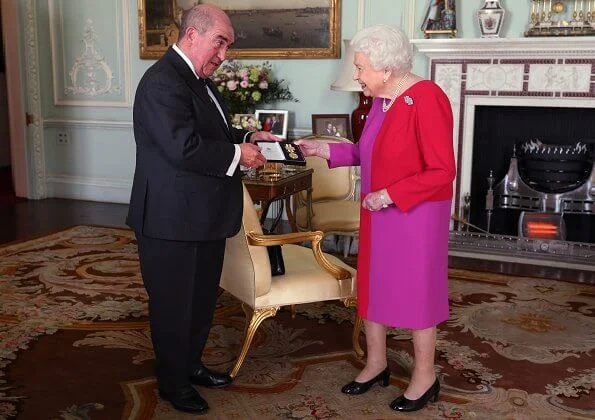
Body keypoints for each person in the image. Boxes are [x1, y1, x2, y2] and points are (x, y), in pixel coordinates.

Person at [126, 4, 278, 415]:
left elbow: (213, 131)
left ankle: (190, 366)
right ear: (192, 35)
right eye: (220, 42)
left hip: (201, 215)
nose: (223, 54)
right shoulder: (162, 82)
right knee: (174, 305)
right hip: (170, 219)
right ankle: (174, 384)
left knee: (199, 300)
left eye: (226, 45)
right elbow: (183, 147)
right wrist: (238, 154)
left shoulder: (197, 79)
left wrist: (248, 136)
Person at [295, 24, 455, 413]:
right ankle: (376, 363)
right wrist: (323, 149)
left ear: (387, 69)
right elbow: (369, 154)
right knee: (374, 288)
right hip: (378, 213)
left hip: (415, 216)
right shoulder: (383, 102)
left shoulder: (427, 98)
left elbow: (442, 170)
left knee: (417, 294)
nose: (357, 74)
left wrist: (390, 195)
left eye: (362, 66)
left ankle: (424, 376)